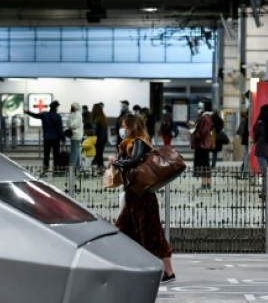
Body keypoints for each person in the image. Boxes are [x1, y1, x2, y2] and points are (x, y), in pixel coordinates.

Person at [110, 113, 176, 283]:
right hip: (133, 194)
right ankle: (129, 266)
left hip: (142, 195)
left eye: (124, 126)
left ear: (132, 126)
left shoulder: (139, 141)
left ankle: (167, 271)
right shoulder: (128, 143)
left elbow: (134, 160)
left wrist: (117, 163)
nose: (121, 129)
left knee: (151, 232)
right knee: (123, 229)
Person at [25, 101, 64, 173]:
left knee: (46, 155)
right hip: (56, 139)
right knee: (56, 155)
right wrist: (63, 139)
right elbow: (60, 129)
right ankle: (56, 170)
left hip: (47, 138)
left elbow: (35, 115)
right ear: (55, 107)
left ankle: (45, 169)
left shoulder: (44, 114)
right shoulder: (58, 116)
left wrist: (27, 112)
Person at [190, 98, 215, 190]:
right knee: (205, 165)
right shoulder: (205, 117)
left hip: (202, 145)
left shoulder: (205, 117)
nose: (199, 108)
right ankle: (207, 184)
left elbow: (203, 132)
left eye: (201, 106)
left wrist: (194, 132)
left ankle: (205, 184)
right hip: (203, 144)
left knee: (203, 165)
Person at [90, 103, 109, 172]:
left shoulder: (96, 119)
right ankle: (101, 167)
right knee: (100, 153)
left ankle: (100, 167)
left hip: (97, 138)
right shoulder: (103, 117)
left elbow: (93, 130)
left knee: (98, 153)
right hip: (103, 138)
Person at [67, 102, 85, 171]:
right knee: (77, 152)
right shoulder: (76, 114)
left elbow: (73, 125)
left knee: (74, 152)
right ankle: (77, 167)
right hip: (77, 135)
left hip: (76, 135)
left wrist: (70, 126)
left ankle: (72, 167)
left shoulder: (77, 115)